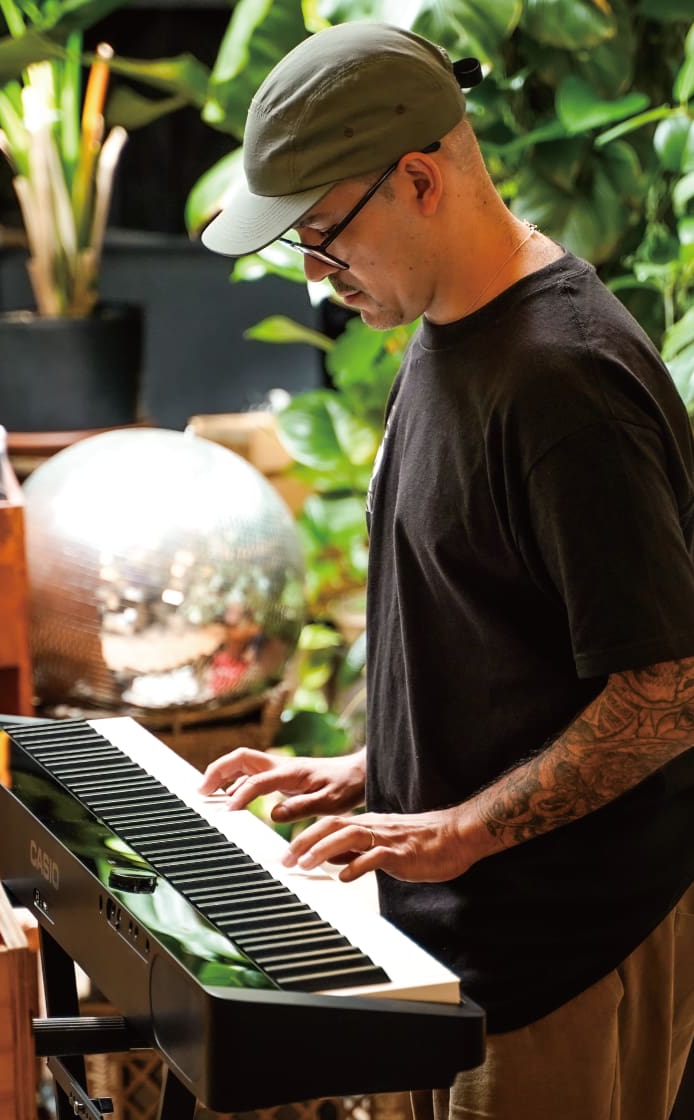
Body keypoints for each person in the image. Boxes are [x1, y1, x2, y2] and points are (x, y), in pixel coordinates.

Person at [199, 21, 694, 1120]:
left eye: (325, 240)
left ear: (419, 179)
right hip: (450, 941)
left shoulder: (565, 386)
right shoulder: (447, 321)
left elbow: (667, 694)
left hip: (564, 953)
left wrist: (459, 828)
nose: (322, 283)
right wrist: (381, 768)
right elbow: (503, 633)